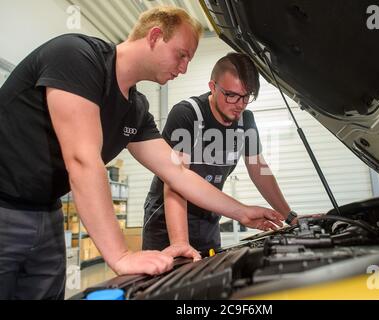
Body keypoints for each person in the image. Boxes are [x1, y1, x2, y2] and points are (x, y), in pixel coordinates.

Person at [0, 7, 283, 300]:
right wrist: (121, 255)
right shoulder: (77, 57)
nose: (184, 68)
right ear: (155, 36)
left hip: (47, 211)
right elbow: (83, 161)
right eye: (181, 55)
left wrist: (242, 212)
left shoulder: (135, 111)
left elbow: (177, 173)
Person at [142, 53, 298, 260]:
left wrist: (290, 217)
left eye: (246, 96)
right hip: (167, 225)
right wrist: (180, 242)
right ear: (213, 87)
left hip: (208, 221)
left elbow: (260, 171)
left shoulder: (246, 121)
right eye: (232, 95)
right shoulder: (188, 114)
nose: (240, 104)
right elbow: (175, 181)